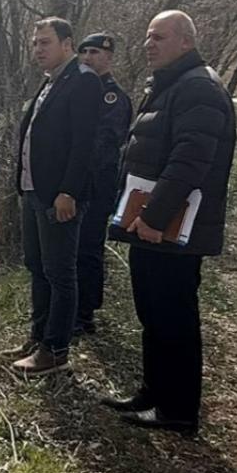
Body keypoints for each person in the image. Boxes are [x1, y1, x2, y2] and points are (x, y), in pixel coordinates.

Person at [103, 10, 237, 434]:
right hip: (150, 225)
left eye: (159, 37)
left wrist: (153, 216)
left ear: (186, 42)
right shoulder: (171, 84)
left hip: (171, 228)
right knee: (153, 313)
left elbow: (190, 161)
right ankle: (152, 393)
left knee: (174, 317)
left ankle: (177, 410)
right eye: (147, 36)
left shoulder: (198, 88)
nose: (149, 44)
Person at [6, 17, 102, 375]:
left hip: (59, 196)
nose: (37, 49)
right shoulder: (51, 82)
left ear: (67, 43)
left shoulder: (83, 81)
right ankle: (38, 337)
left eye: (45, 42)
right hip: (34, 190)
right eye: (35, 43)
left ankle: (56, 350)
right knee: (37, 266)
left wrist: (68, 191)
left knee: (60, 273)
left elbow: (84, 144)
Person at [74, 33, 132, 336]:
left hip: (97, 186)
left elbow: (106, 144)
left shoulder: (113, 97)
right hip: (74, 185)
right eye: (83, 52)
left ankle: (85, 315)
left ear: (108, 57)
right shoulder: (79, 91)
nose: (87, 58)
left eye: (94, 52)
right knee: (71, 249)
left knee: (88, 248)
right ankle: (70, 307)